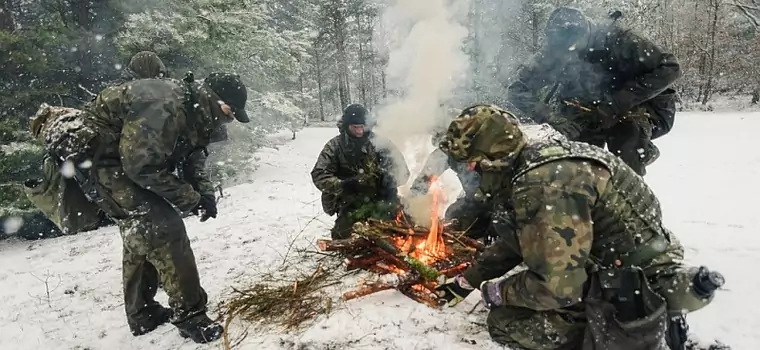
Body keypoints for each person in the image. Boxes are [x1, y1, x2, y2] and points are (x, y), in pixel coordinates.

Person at [434, 104, 723, 350]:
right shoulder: (544, 158)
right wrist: (468, 281)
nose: (469, 172)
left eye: (471, 165)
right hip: (639, 260)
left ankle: (636, 326)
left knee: (504, 322)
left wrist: (498, 291)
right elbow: (522, 239)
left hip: (627, 282)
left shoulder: (541, 186)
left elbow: (557, 288)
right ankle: (655, 309)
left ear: (491, 159)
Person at [33, 71, 251, 343]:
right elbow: (141, 167)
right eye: (229, 112)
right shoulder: (165, 106)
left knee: (143, 231)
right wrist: (189, 199)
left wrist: (204, 195)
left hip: (124, 160)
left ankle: (143, 313)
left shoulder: (197, 110)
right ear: (215, 99)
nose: (229, 120)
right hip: (102, 160)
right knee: (162, 226)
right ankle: (191, 316)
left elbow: (194, 155)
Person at [506, 7, 680, 176]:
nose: (568, 54)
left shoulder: (621, 40)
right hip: (585, 109)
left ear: (585, 34)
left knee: (626, 141)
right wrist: (553, 118)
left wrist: (616, 104)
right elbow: (517, 89)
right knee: (576, 161)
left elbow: (670, 67)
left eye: (572, 48)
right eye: (561, 49)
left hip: (640, 107)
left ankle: (636, 166)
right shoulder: (555, 50)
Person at [311, 103, 411, 239]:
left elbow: (403, 171)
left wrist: (390, 179)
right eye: (355, 127)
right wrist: (344, 185)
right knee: (343, 233)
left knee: (407, 220)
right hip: (348, 198)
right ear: (346, 126)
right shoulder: (335, 146)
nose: (359, 131)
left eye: (362, 127)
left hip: (380, 196)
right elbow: (319, 174)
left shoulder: (381, 143)